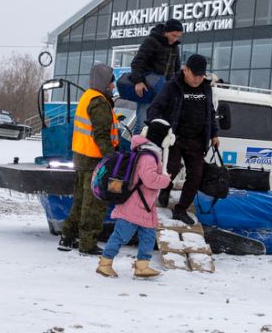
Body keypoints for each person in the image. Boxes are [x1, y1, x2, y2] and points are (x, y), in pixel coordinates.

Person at [96, 119, 174, 279]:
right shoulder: (148, 157)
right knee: (121, 235)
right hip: (134, 205)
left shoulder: (149, 153)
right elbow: (149, 179)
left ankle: (142, 266)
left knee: (149, 236)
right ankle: (105, 263)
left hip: (145, 205)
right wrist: (165, 180)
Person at [147, 54, 219, 225]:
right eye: (195, 75)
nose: (198, 79)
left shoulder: (206, 88)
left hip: (197, 139)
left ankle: (181, 210)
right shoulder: (172, 86)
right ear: (185, 70)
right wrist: (155, 125)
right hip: (175, 137)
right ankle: (165, 189)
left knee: (196, 175)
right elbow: (155, 107)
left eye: (201, 76)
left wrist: (214, 133)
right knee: (171, 167)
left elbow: (210, 112)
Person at [58, 62, 120, 255]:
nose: (113, 85)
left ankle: (67, 237)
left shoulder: (87, 97)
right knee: (94, 204)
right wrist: (111, 160)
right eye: (111, 82)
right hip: (95, 160)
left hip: (81, 158)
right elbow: (101, 134)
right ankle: (87, 244)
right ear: (104, 82)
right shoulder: (99, 102)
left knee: (80, 201)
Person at [129, 18, 184, 135]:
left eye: (178, 36)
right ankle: (138, 151)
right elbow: (137, 63)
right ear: (165, 31)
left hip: (164, 90)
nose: (175, 39)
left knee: (160, 124)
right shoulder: (151, 41)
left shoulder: (175, 47)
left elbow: (176, 70)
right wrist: (138, 81)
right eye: (173, 35)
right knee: (143, 123)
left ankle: (152, 150)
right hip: (147, 88)